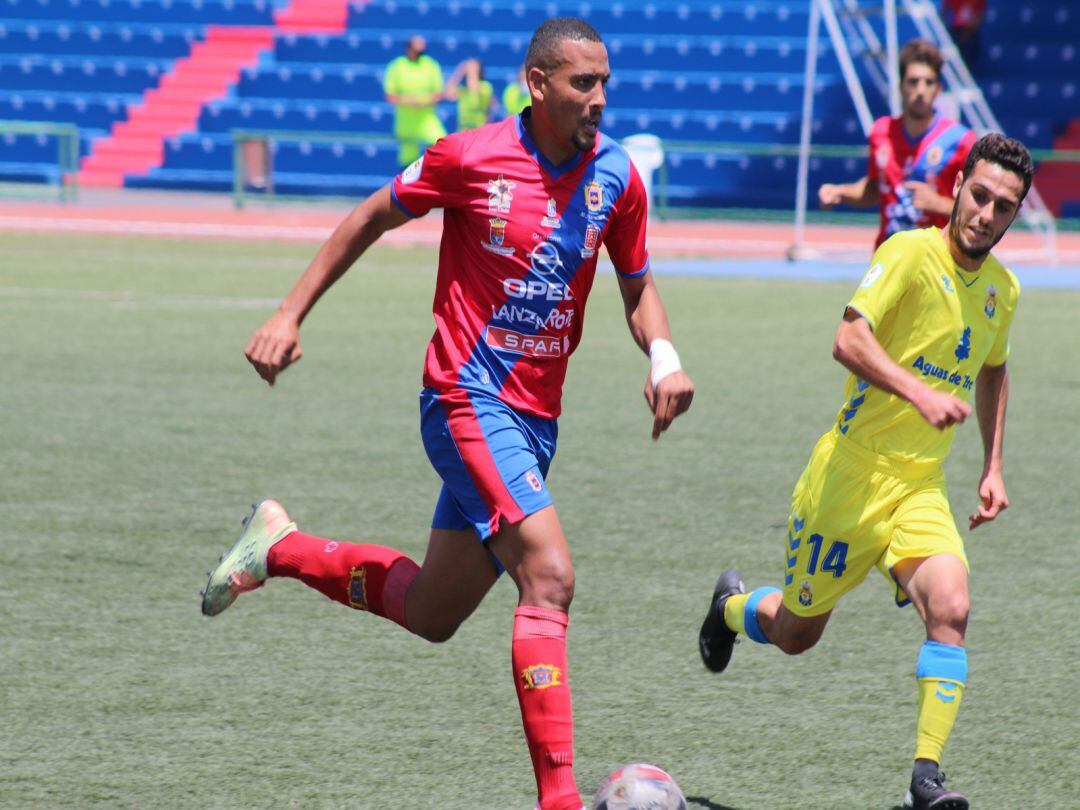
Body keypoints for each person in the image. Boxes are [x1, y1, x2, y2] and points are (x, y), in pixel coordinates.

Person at [202, 17, 695, 810]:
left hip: (534, 422)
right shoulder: (473, 156)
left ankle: (280, 547)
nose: (599, 98)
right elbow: (372, 214)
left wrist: (663, 354)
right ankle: (561, 800)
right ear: (538, 85)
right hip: (465, 397)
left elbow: (637, 283)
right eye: (582, 83)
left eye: (605, 82)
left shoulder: (617, 177)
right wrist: (290, 313)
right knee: (551, 578)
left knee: (433, 612)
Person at [699, 133, 1032, 810]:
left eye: (1004, 206)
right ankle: (731, 608)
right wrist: (919, 392)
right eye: (981, 195)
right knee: (796, 635)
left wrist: (993, 466)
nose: (987, 213)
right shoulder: (909, 252)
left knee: (952, 607)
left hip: (920, 487)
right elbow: (848, 338)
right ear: (958, 186)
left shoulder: (1004, 289)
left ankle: (926, 780)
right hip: (850, 478)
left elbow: (995, 367)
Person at [818, 39, 977, 249]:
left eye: (928, 82)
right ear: (901, 85)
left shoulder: (960, 140)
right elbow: (877, 188)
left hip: (936, 261)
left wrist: (939, 204)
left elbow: (978, 209)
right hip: (888, 257)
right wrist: (839, 192)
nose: (921, 90)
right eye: (913, 81)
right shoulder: (881, 132)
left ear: (938, 89)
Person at [383, 34, 447, 167]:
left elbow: (439, 93)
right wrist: (408, 101)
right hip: (406, 121)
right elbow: (389, 95)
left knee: (442, 145)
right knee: (407, 162)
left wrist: (424, 101)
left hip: (426, 119)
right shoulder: (397, 66)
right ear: (409, 49)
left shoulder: (430, 65)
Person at [444, 57, 495, 131]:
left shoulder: (485, 87)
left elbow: (474, 88)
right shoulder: (462, 90)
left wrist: (472, 72)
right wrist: (459, 72)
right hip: (463, 130)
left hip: (479, 130)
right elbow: (447, 93)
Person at [942, 0, 985, 72]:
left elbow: (980, 16)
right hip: (956, 30)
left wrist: (969, 30)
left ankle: (966, 71)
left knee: (970, 46)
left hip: (971, 32)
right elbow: (943, 11)